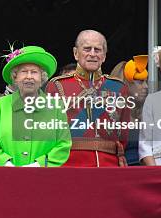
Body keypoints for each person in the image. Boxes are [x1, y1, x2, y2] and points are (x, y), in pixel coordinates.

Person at [45, 29, 130, 167]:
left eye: (97, 50)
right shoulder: (57, 86)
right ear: (75, 53)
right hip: (69, 164)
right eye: (87, 49)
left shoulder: (119, 87)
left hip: (108, 165)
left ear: (104, 56)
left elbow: (123, 134)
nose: (92, 54)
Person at [0, 46, 71, 167]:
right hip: (7, 177)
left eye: (34, 72)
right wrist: (7, 164)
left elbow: (63, 144)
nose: (29, 76)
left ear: (42, 78)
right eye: (24, 71)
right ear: (15, 77)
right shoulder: (1, 105)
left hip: (44, 177)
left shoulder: (56, 106)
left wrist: (38, 165)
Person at [110, 55, 149, 166]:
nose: (146, 86)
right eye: (140, 82)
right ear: (124, 84)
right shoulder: (109, 116)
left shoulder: (147, 113)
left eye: (146, 81)